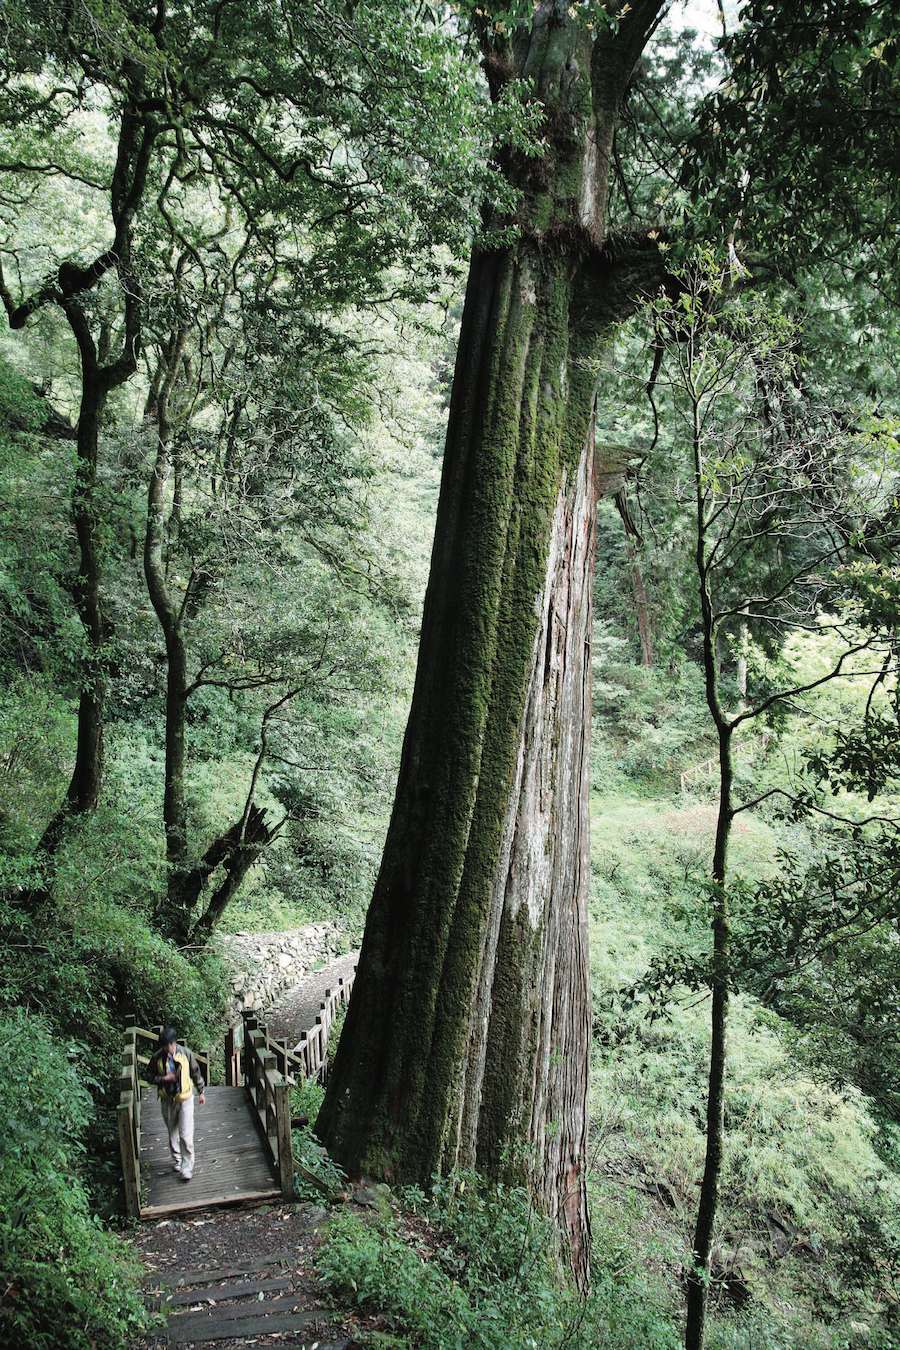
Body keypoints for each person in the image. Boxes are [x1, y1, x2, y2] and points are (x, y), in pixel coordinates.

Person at [146, 1025, 205, 1181]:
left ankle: (187, 1167)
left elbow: (195, 1072)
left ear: (174, 1043)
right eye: (165, 1046)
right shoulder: (157, 1057)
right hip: (167, 1099)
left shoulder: (186, 1054)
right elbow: (149, 1076)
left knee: (185, 1134)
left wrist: (201, 1091)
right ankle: (178, 1160)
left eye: (170, 1045)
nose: (168, 1048)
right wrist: (163, 1079)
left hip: (185, 1098)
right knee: (172, 1133)